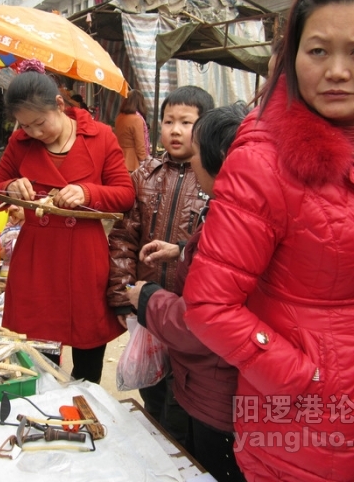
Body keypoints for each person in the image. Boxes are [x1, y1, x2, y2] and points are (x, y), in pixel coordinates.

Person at [181, 0, 354, 481]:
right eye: (317, 51)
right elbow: (209, 305)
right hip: (306, 432)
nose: (336, 71)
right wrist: (306, 379)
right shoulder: (264, 162)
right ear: (293, 58)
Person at [0, 59, 135, 384]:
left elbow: (125, 194)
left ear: (60, 105)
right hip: (37, 261)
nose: (33, 133)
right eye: (24, 126)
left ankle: (84, 414)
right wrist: (9, 188)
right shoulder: (20, 144)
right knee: (39, 360)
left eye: (39, 123)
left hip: (84, 258)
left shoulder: (101, 138)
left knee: (88, 353)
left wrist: (87, 192)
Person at [127, 103, 249, 482]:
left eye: (196, 150)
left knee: (200, 459)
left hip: (215, 386)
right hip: (201, 373)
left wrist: (145, 298)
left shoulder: (237, 223)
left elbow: (203, 322)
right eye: (168, 122)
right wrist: (181, 249)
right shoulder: (230, 209)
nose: (177, 133)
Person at [107, 85, 214, 444]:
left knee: (184, 395)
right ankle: (156, 448)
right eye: (169, 121)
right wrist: (124, 296)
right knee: (151, 387)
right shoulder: (146, 175)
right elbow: (123, 237)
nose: (175, 130)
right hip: (148, 308)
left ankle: (182, 456)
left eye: (187, 122)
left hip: (188, 315)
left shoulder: (213, 180)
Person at [113, 90, 151, 171]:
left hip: (119, 159)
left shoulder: (119, 117)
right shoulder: (136, 119)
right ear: (140, 103)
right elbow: (140, 146)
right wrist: (144, 163)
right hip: (133, 162)